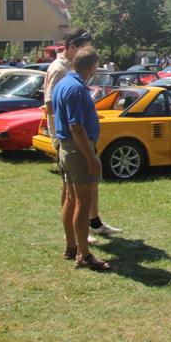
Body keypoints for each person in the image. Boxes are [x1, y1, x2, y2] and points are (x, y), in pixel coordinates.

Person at [44, 29, 121, 242]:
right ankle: (78, 236)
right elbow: (51, 105)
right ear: (71, 47)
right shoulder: (61, 70)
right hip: (69, 140)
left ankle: (92, 223)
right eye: (84, 48)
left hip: (76, 138)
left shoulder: (70, 73)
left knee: (86, 186)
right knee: (73, 193)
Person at [53, 47, 110, 271]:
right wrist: (91, 158)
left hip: (66, 149)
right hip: (77, 150)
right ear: (91, 66)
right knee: (82, 202)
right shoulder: (76, 88)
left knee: (70, 197)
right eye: (96, 66)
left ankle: (71, 246)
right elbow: (76, 126)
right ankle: (84, 254)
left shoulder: (63, 84)